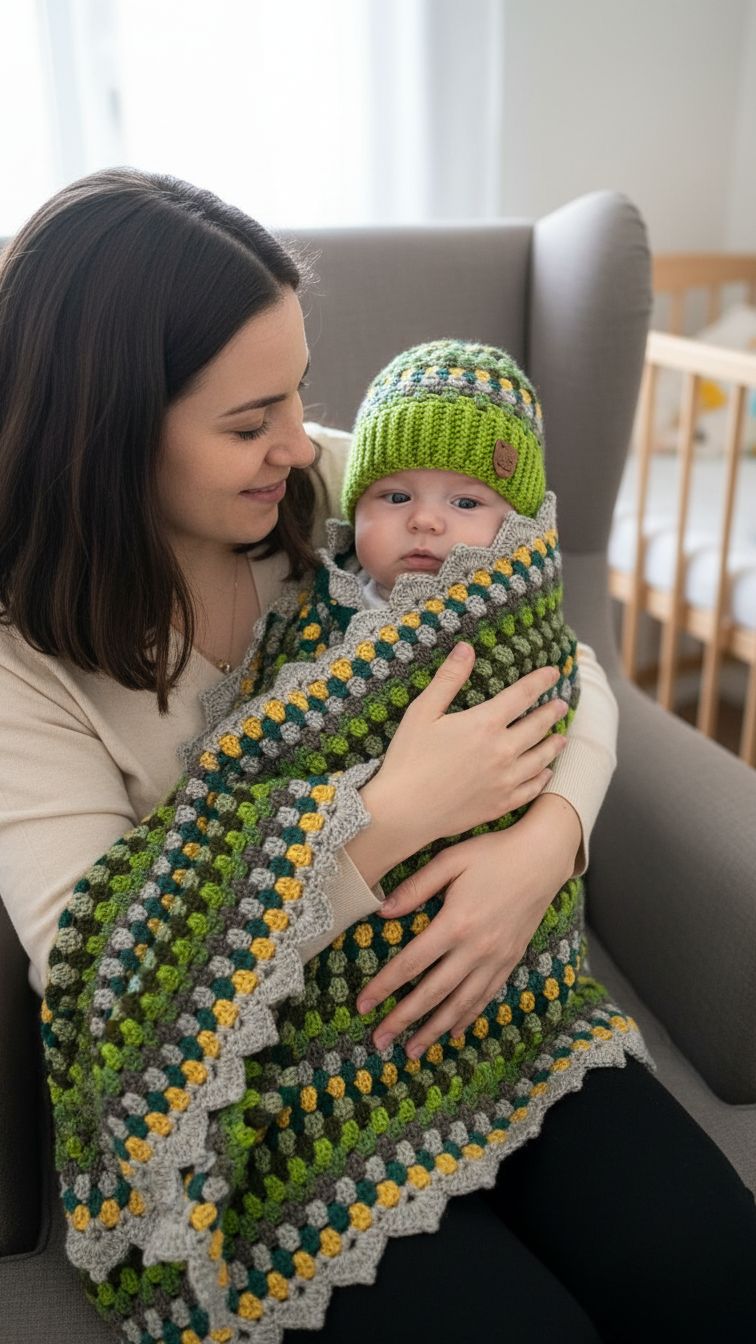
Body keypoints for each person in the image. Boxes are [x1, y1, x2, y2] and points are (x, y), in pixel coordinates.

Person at [0, 171, 753, 1344]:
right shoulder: (23, 667)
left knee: (714, 1271)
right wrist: (388, 814)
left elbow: (559, 653)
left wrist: (546, 844)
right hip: (275, 1106)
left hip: (496, 1011)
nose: (298, 440)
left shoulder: (343, 489)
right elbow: (105, 983)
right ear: (108, 434)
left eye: (299, 390)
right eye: (249, 421)